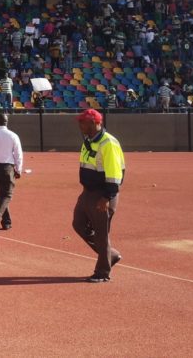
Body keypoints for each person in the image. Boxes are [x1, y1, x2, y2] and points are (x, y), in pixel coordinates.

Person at [73, 109, 125, 283]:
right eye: (80, 121)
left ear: (96, 123)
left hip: (102, 195)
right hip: (88, 192)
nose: (80, 125)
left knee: (102, 233)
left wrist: (107, 197)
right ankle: (110, 254)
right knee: (78, 224)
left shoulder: (108, 143)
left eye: (84, 122)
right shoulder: (88, 141)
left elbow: (115, 173)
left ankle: (102, 271)